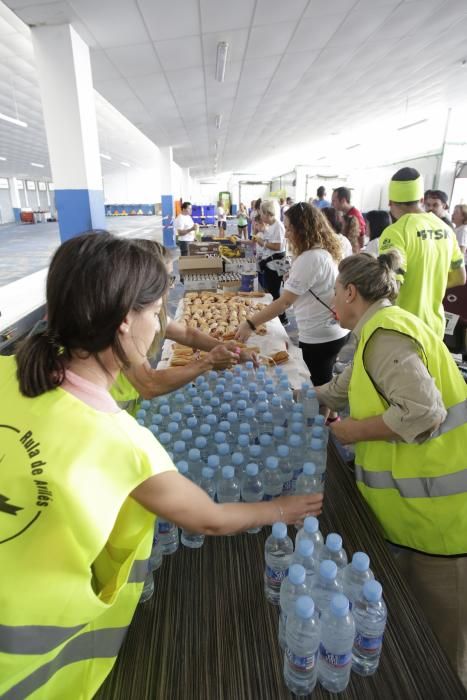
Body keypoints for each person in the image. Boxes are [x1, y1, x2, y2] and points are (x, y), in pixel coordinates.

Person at [0, 232, 323, 699]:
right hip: (25, 666)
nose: (161, 323)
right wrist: (283, 509)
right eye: (155, 312)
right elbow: (209, 519)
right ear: (124, 324)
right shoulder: (120, 443)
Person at [316, 250, 467, 687]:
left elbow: (424, 413)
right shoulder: (376, 333)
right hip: (412, 517)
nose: (331, 306)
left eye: (334, 295)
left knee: (444, 652)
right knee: (415, 639)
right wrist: (286, 398)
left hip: (442, 520)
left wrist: (351, 432)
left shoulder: (386, 335)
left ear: (350, 292)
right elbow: (339, 390)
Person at [236, 203, 349, 394]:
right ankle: (330, 416)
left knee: (318, 387)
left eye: (289, 228)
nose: (286, 234)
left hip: (319, 335)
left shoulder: (311, 258)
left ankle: (324, 420)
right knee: (325, 379)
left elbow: (285, 302)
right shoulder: (322, 251)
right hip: (332, 330)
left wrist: (250, 323)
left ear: (303, 229)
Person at [379, 167, 465, 338]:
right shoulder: (446, 229)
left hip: (403, 327)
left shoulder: (396, 231)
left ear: (391, 203)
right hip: (435, 327)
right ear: (421, 199)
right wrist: (427, 284)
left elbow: (390, 287)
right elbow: (460, 277)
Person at [255, 200, 288, 325]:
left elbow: (277, 246)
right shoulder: (272, 226)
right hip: (270, 263)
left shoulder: (278, 226)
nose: (262, 217)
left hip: (275, 264)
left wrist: (262, 242)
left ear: (268, 213)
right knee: (271, 291)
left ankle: (282, 318)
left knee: (274, 292)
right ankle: (277, 317)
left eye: (262, 214)